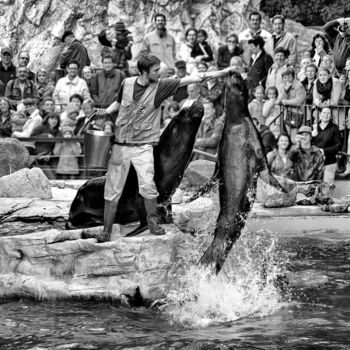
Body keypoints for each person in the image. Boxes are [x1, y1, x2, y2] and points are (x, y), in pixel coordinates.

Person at [98, 54, 234, 242]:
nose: (159, 72)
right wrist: (103, 112)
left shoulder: (161, 86)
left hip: (144, 145)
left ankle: (151, 223)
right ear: (144, 72)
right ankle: (106, 231)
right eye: (155, 70)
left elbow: (195, 78)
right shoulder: (127, 83)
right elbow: (118, 103)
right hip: (122, 144)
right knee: (113, 187)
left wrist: (223, 72)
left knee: (148, 186)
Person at [312, 107, 341, 184]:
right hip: (315, 163)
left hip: (329, 162)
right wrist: (312, 135)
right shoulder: (315, 127)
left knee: (326, 189)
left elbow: (338, 146)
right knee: (314, 188)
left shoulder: (334, 128)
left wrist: (324, 151)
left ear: (331, 116)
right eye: (324, 113)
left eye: (328, 113)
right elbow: (308, 144)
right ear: (320, 114)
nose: (326, 115)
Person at [278, 66, 306, 141]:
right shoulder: (282, 86)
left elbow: (299, 101)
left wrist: (286, 102)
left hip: (298, 114)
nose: (287, 79)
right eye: (285, 77)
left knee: (295, 138)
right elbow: (280, 101)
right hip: (287, 115)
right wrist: (285, 91)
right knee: (288, 137)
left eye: (289, 77)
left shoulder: (298, 85)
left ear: (293, 76)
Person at [32, 112, 62, 179]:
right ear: (48, 120)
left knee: (54, 177)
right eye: (52, 119)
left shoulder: (58, 131)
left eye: (56, 119)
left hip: (51, 157)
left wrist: (50, 153)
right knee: (52, 178)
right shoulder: (41, 127)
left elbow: (56, 145)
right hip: (40, 156)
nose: (54, 121)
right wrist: (45, 136)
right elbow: (31, 136)